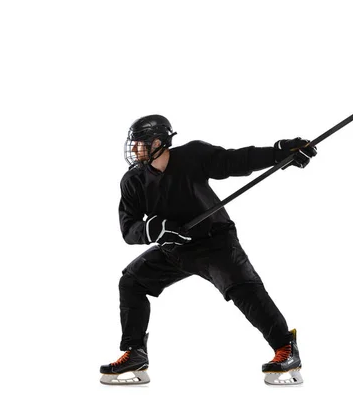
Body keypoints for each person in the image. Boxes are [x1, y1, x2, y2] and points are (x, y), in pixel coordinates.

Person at [99, 115, 317, 386]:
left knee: (243, 289)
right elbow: (129, 228)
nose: (134, 150)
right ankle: (135, 353)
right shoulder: (133, 180)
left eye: (139, 144)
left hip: (215, 244)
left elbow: (236, 160)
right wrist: (153, 230)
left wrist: (278, 153)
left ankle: (286, 348)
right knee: (132, 281)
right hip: (175, 250)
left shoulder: (193, 155)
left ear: (158, 142)